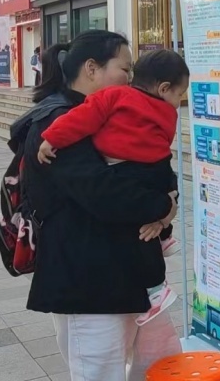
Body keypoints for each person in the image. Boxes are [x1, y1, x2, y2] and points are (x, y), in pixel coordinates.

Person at [16, 31, 181, 380]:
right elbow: (106, 195)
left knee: (159, 366)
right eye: (125, 68)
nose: (132, 78)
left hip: (128, 274)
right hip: (89, 284)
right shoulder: (58, 122)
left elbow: (156, 167)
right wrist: (163, 205)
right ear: (92, 68)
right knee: (100, 373)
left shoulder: (117, 113)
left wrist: (168, 204)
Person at [36, 48, 190, 325]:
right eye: (179, 95)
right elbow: (162, 151)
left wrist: (51, 139)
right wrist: (165, 209)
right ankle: (164, 238)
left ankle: (157, 289)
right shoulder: (166, 112)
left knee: (140, 234)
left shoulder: (113, 96)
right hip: (156, 170)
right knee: (149, 227)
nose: (178, 103)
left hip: (124, 170)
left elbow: (80, 119)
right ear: (164, 88)